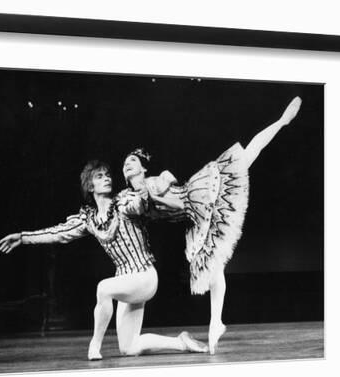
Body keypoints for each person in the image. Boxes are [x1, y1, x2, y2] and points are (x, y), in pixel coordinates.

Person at [121, 96, 302, 354]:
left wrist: (158, 190)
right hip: (193, 220)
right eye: (125, 163)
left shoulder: (151, 183)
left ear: (142, 167)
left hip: (197, 197)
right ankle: (216, 321)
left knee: (246, 156)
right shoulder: (133, 197)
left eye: (132, 161)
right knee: (215, 266)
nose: (128, 164)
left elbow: (170, 182)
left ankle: (282, 121)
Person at [0, 160, 208, 360]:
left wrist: (144, 195)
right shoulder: (89, 219)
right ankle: (182, 342)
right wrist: (23, 237)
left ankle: (94, 345)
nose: (107, 178)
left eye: (107, 175)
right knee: (129, 348)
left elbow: (138, 204)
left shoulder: (123, 202)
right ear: (90, 186)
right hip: (125, 283)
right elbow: (58, 233)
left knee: (103, 288)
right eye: (99, 176)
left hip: (144, 276)